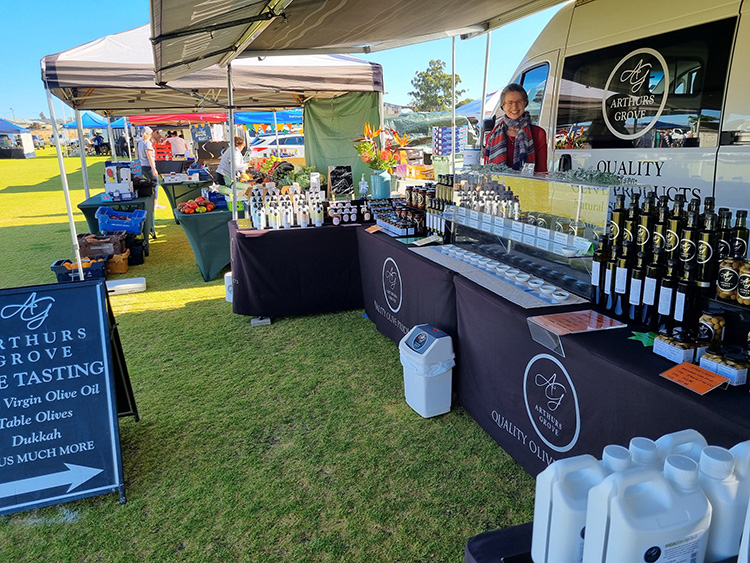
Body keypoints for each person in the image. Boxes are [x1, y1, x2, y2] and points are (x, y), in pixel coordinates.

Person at [484, 83, 548, 173]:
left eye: (519, 102)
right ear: (503, 106)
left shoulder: (538, 133)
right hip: (498, 186)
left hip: (528, 186)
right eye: (509, 103)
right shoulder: (491, 136)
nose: (514, 107)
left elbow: (542, 172)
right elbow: (486, 171)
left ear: (525, 103)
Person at [137, 127, 165, 209]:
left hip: (142, 165)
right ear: (150, 133)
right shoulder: (147, 144)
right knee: (155, 184)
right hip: (148, 166)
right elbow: (149, 157)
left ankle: (152, 202)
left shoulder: (141, 143)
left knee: (150, 184)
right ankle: (155, 203)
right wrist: (154, 169)